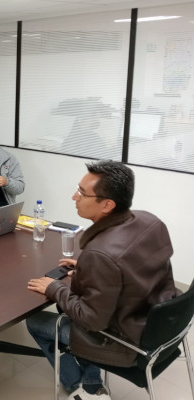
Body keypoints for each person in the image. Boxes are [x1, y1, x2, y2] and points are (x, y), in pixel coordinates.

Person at [26, 160, 177, 400]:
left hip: (125, 341)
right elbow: (134, 264)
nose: (74, 196)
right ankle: (91, 382)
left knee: (35, 322)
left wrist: (55, 287)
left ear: (107, 204)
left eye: (82, 192)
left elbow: (91, 320)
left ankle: (81, 387)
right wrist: (89, 268)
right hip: (159, 326)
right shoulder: (149, 221)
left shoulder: (101, 254)